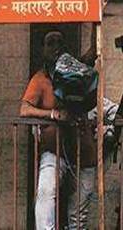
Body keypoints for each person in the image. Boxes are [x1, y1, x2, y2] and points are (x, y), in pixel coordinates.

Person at [20, 31, 95, 230]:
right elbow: (24, 109)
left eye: (60, 42)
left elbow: (93, 53)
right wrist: (53, 114)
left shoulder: (78, 71)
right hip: (55, 151)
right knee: (45, 193)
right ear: (42, 49)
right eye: (50, 43)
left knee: (78, 214)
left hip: (83, 152)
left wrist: (96, 22)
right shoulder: (40, 78)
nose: (56, 47)